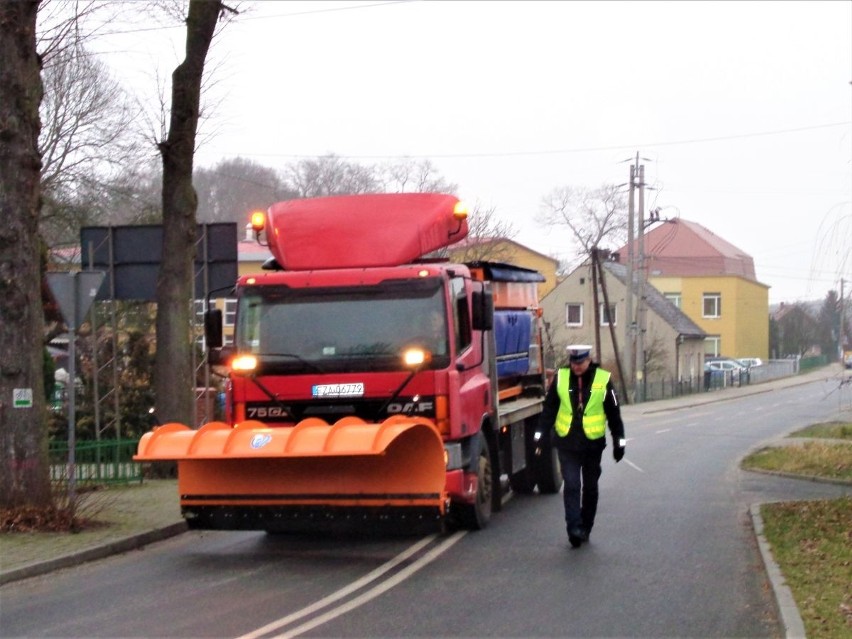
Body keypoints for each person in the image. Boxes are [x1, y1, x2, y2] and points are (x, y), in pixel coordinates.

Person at [539, 344, 626, 548]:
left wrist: (619, 442)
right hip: (567, 443)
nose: (577, 366)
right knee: (571, 485)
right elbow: (549, 409)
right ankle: (574, 528)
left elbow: (614, 413)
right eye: (574, 362)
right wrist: (540, 435)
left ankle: (586, 526)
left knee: (590, 488)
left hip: (592, 445)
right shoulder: (560, 379)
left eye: (581, 362)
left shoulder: (603, 380)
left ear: (589, 360)